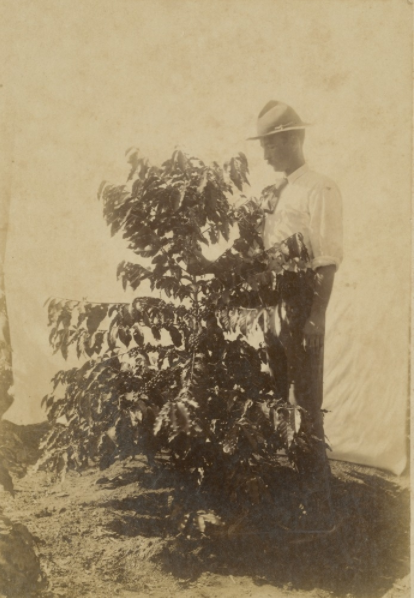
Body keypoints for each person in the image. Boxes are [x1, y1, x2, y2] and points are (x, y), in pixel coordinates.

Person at [247, 100, 343, 530]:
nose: (264, 154)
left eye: (270, 145)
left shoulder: (319, 188)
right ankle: (290, 494)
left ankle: (318, 509)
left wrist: (315, 317)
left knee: (305, 403)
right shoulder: (276, 192)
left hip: (302, 302)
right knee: (274, 397)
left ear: (292, 140)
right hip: (273, 305)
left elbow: (325, 260)